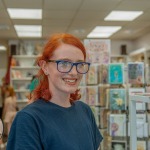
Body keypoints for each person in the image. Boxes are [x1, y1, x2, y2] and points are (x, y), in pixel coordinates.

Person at [6, 33, 103, 150]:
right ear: (45, 67)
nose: (74, 72)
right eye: (64, 63)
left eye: (80, 64)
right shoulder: (29, 118)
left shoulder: (85, 111)